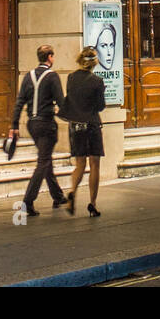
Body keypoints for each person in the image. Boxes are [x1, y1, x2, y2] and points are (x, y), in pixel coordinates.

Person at [8, 43, 66, 217]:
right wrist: (66, 114)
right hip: (46, 124)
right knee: (43, 162)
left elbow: (19, 102)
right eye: (53, 56)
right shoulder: (52, 77)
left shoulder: (28, 76)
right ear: (49, 57)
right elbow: (61, 102)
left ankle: (58, 196)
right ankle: (27, 202)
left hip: (32, 125)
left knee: (45, 158)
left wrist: (14, 125)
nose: (53, 59)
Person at [62, 45, 106, 216]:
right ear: (94, 62)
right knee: (94, 164)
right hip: (92, 125)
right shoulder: (97, 82)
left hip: (75, 125)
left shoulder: (71, 78)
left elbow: (71, 100)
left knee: (80, 164)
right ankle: (92, 203)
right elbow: (100, 106)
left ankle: (73, 191)